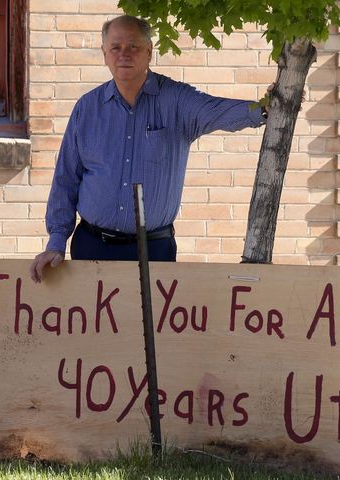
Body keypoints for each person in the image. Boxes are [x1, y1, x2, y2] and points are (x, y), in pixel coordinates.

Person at [29, 15, 267, 283]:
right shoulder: (87, 108)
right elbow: (66, 179)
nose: (124, 55)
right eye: (115, 48)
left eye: (133, 47)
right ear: (104, 54)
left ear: (149, 52)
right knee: (97, 326)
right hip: (92, 247)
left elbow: (219, 110)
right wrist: (56, 242)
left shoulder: (177, 101)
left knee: (150, 326)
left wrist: (266, 108)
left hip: (154, 251)